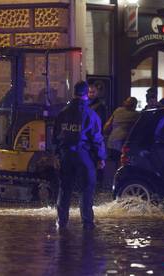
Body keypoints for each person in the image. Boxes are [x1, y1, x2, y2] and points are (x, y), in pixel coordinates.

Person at [52, 81, 106, 230]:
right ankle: (87, 223)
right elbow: (97, 138)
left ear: (74, 93)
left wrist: (56, 155)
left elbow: (56, 136)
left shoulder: (63, 113)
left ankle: (61, 222)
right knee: (87, 189)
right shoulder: (91, 114)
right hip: (84, 156)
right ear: (86, 94)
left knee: (65, 189)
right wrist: (101, 158)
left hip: (66, 155)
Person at [104, 97, 140, 163]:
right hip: (123, 143)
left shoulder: (118, 110)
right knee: (123, 164)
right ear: (135, 105)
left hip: (112, 142)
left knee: (113, 165)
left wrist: (105, 134)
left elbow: (107, 125)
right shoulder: (137, 115)